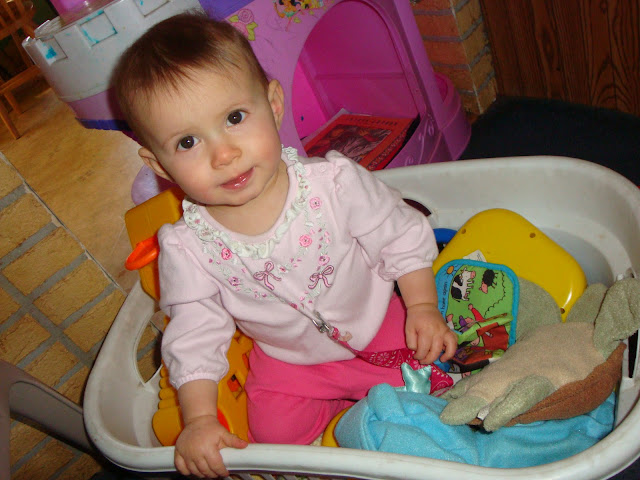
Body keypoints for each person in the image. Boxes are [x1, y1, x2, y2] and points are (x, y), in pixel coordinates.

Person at [111, 11, 457, 478]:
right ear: (159, 165)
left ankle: (372, 416)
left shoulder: (333, 183)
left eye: (234, 118)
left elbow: (398, 234)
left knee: (433, 389)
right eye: (188, 141)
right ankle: (344, 426)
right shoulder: (187, 247)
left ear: (274, 104)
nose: (223, 154)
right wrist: (199, 419)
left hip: (378, 325)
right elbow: (194, 334)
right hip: (286, 360)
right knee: (272, 439)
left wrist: (423, 307)